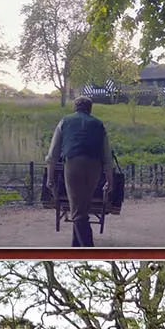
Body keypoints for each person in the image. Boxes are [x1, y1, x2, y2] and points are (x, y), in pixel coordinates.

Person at [45, 96, 114, 248]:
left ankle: (88, 248)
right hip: (94, 165)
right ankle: (75, 246)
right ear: (90, 109)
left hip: (73, 163)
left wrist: (50, 179)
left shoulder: (65, 121)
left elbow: (53, 154)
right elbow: (107, 155)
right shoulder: (98, 124)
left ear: (75, 108)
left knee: (77, 211)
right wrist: (109, 180)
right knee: (83, 207)